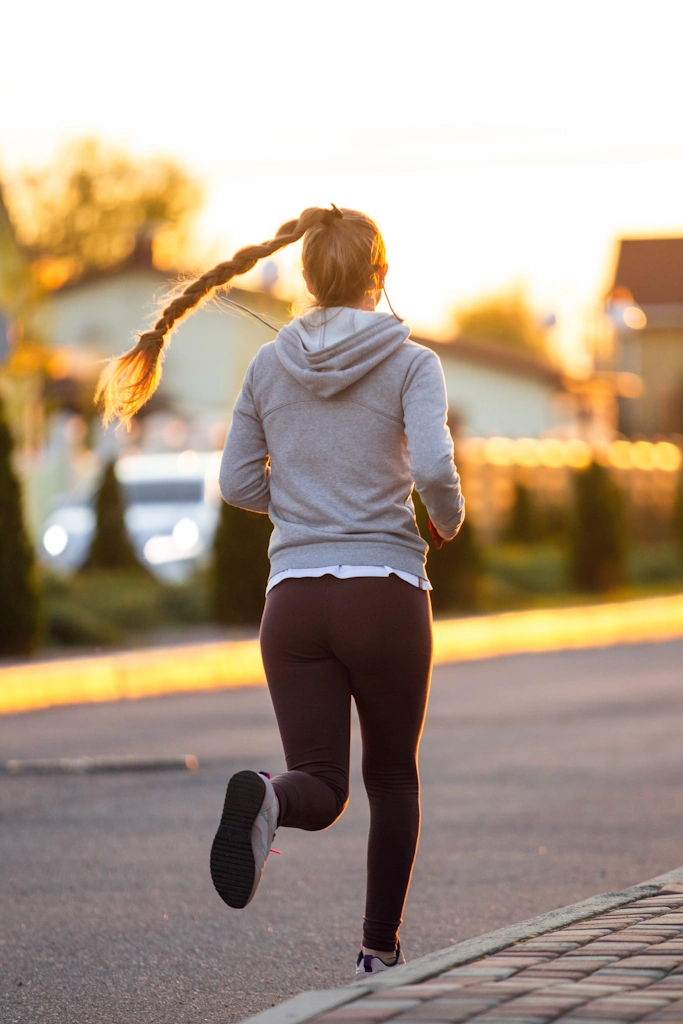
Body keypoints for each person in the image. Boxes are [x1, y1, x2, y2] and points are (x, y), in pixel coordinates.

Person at [96, 205, 465, 975]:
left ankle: (268, 793)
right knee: (391, 775)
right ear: (380, 275)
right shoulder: (412, 363)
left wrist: (303, 503)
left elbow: (234, 482)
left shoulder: (269, 364)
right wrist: (446, 520)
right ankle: (376, 952)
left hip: (292, 603)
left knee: (319, 787)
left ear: (303, 278)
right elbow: (432, 469)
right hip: (383, 593)